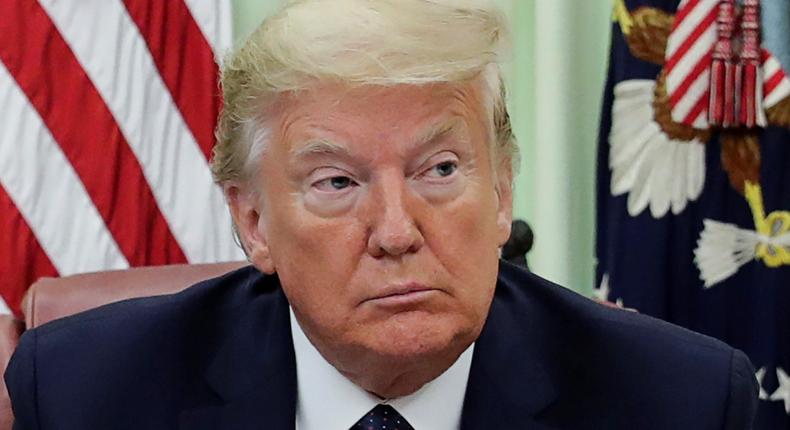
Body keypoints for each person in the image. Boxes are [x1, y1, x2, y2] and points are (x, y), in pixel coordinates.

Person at [5, 0, 758, 428]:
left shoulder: (679, 402)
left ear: (501, 194)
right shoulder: (84, 395)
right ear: (255, 222)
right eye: (336, 182)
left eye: (440, 170)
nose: (397, 232)